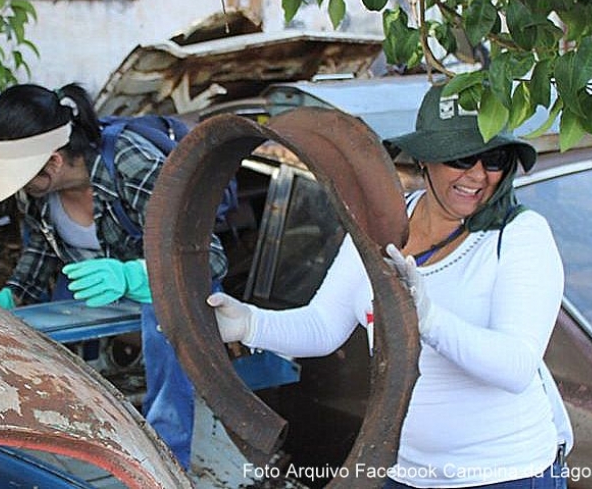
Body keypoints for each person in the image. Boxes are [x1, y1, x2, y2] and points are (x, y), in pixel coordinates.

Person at [206, 85, 572, 488]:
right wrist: (249, 324)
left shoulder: (519, 235)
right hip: (403, 472)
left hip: (503, 475)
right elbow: (323, 326)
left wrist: (427, 319)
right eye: (462, 157)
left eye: (496, 159)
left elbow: (516, 367)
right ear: (424, 158)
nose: (479, 175)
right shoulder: (382, 221)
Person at [0, 83, 227, 470]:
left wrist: (135, 276)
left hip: (168, 284)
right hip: (97, 284)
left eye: (22, 178)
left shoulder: (131, 164)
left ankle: (163, 463)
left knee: (166, 325)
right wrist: (12, 297)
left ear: (52, 162)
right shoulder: (35, 193)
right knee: (50, 314)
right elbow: (39, 254)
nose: (18, 189)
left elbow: (210, 258)